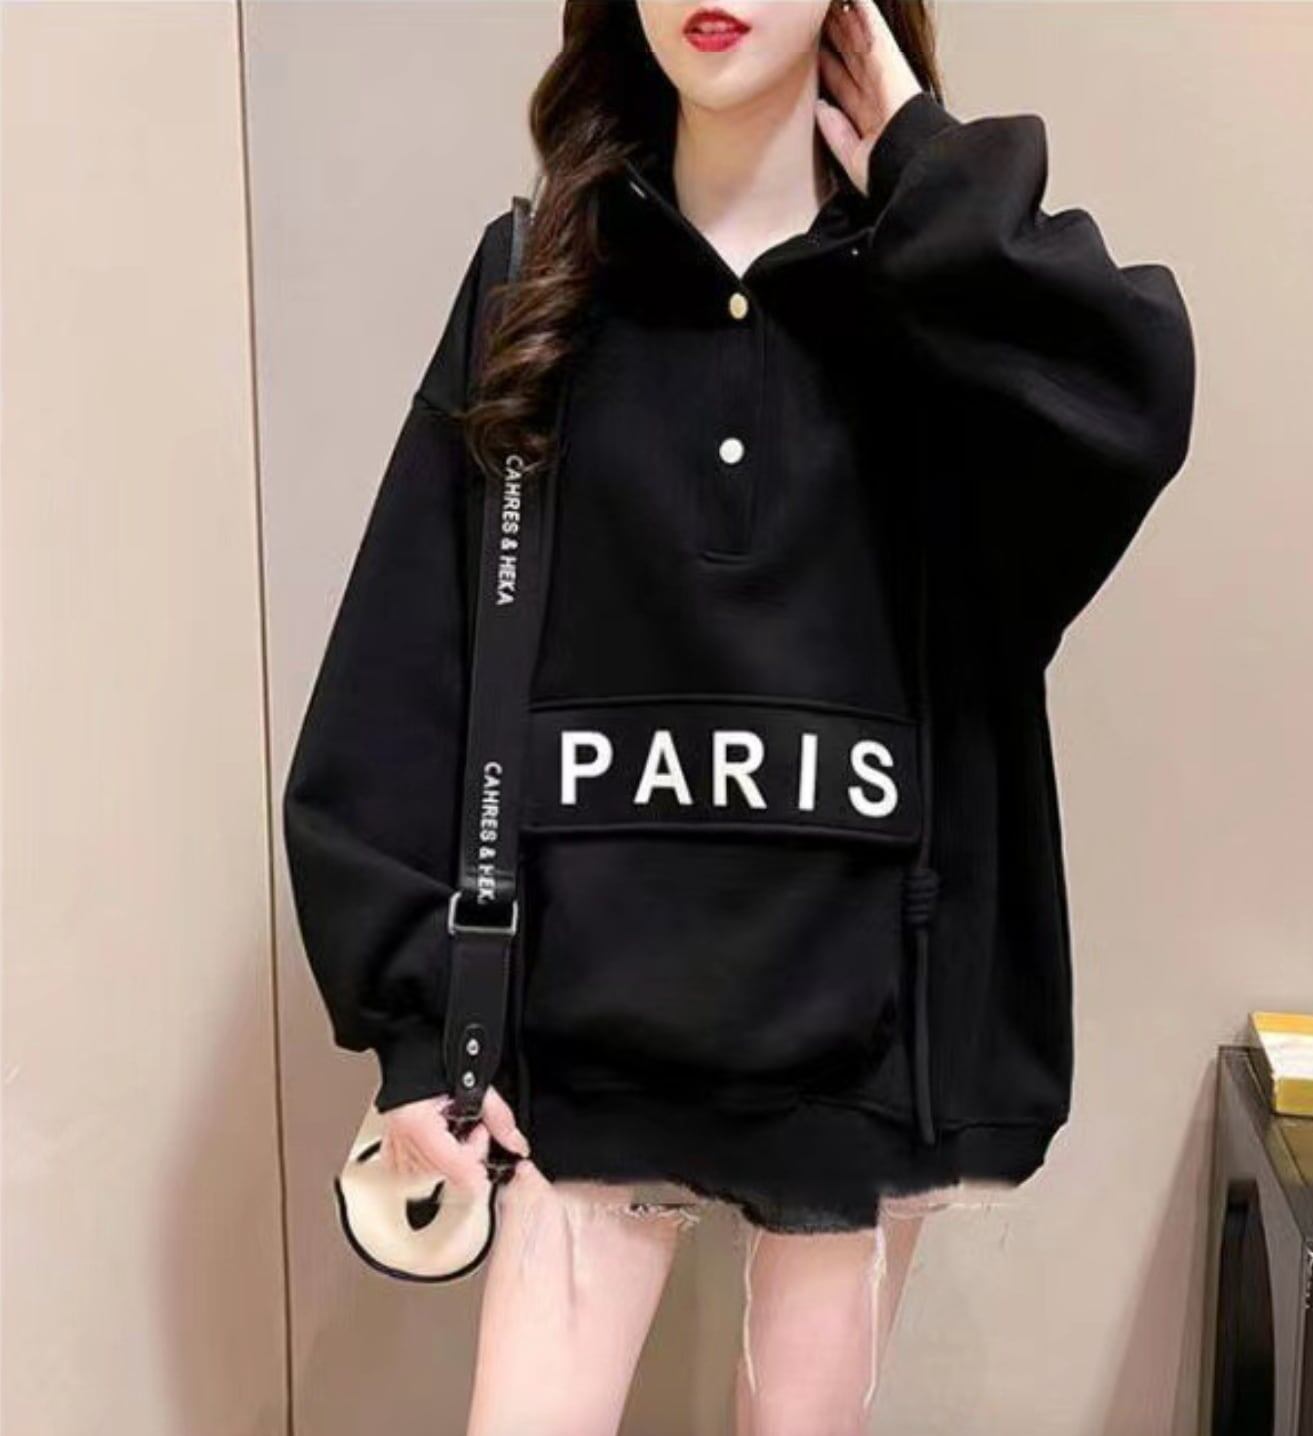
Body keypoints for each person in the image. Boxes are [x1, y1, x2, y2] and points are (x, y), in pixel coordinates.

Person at [281, 0, 1197, 1430]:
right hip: (577, 1043)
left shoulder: (942, 301)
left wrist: (927, 171)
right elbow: (408, 651)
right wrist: (412, 1024)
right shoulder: (538, 278)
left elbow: (1130, 396)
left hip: (862, 1045)